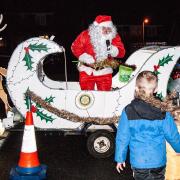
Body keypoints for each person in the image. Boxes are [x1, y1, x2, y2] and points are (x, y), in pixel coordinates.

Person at [115, 71, 180, 180]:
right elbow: (172, 135)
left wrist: (120, 158)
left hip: (139, 161)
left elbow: (122, 137)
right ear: (155, 90)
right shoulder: (163, 110)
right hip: (158, 161)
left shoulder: (128, 110)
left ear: (136, 88)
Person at [71, 15, 125, 91]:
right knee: (87, 97)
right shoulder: (85, 35)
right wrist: (85, 57)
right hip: (87, 72)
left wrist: (112, 50)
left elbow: (122, 52)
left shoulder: (113, 36)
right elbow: (75, 47)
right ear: (97, 28)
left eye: (108, 28)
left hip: (105, 72)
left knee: (104, 97)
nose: (106, 30)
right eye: (103, 28)